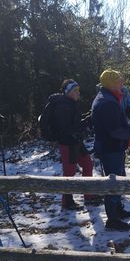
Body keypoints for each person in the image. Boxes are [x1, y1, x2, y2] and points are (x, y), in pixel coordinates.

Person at [91, 69, 130, 231]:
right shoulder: (107, 102)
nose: (122, 83)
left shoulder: (108, 97)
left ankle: (118, 210)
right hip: (111, 148)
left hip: (112, 147)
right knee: (113, 182)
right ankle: (112, 219)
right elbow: (114, 130)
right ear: (111, 84)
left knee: (118, 179)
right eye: (119, 81)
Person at [50, 79, 95, 210]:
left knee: (87, 164)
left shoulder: (70, 103)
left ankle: (88, 194)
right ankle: (66, 201)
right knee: (69, 172)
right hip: (68, 143)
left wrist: (85, 119)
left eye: (78, 90)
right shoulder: (62, 106)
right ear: (67, 91)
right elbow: (66, 128)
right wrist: (85, 122)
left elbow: (74, 122)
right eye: (75, 90)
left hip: (76, 142)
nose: (78, 93)